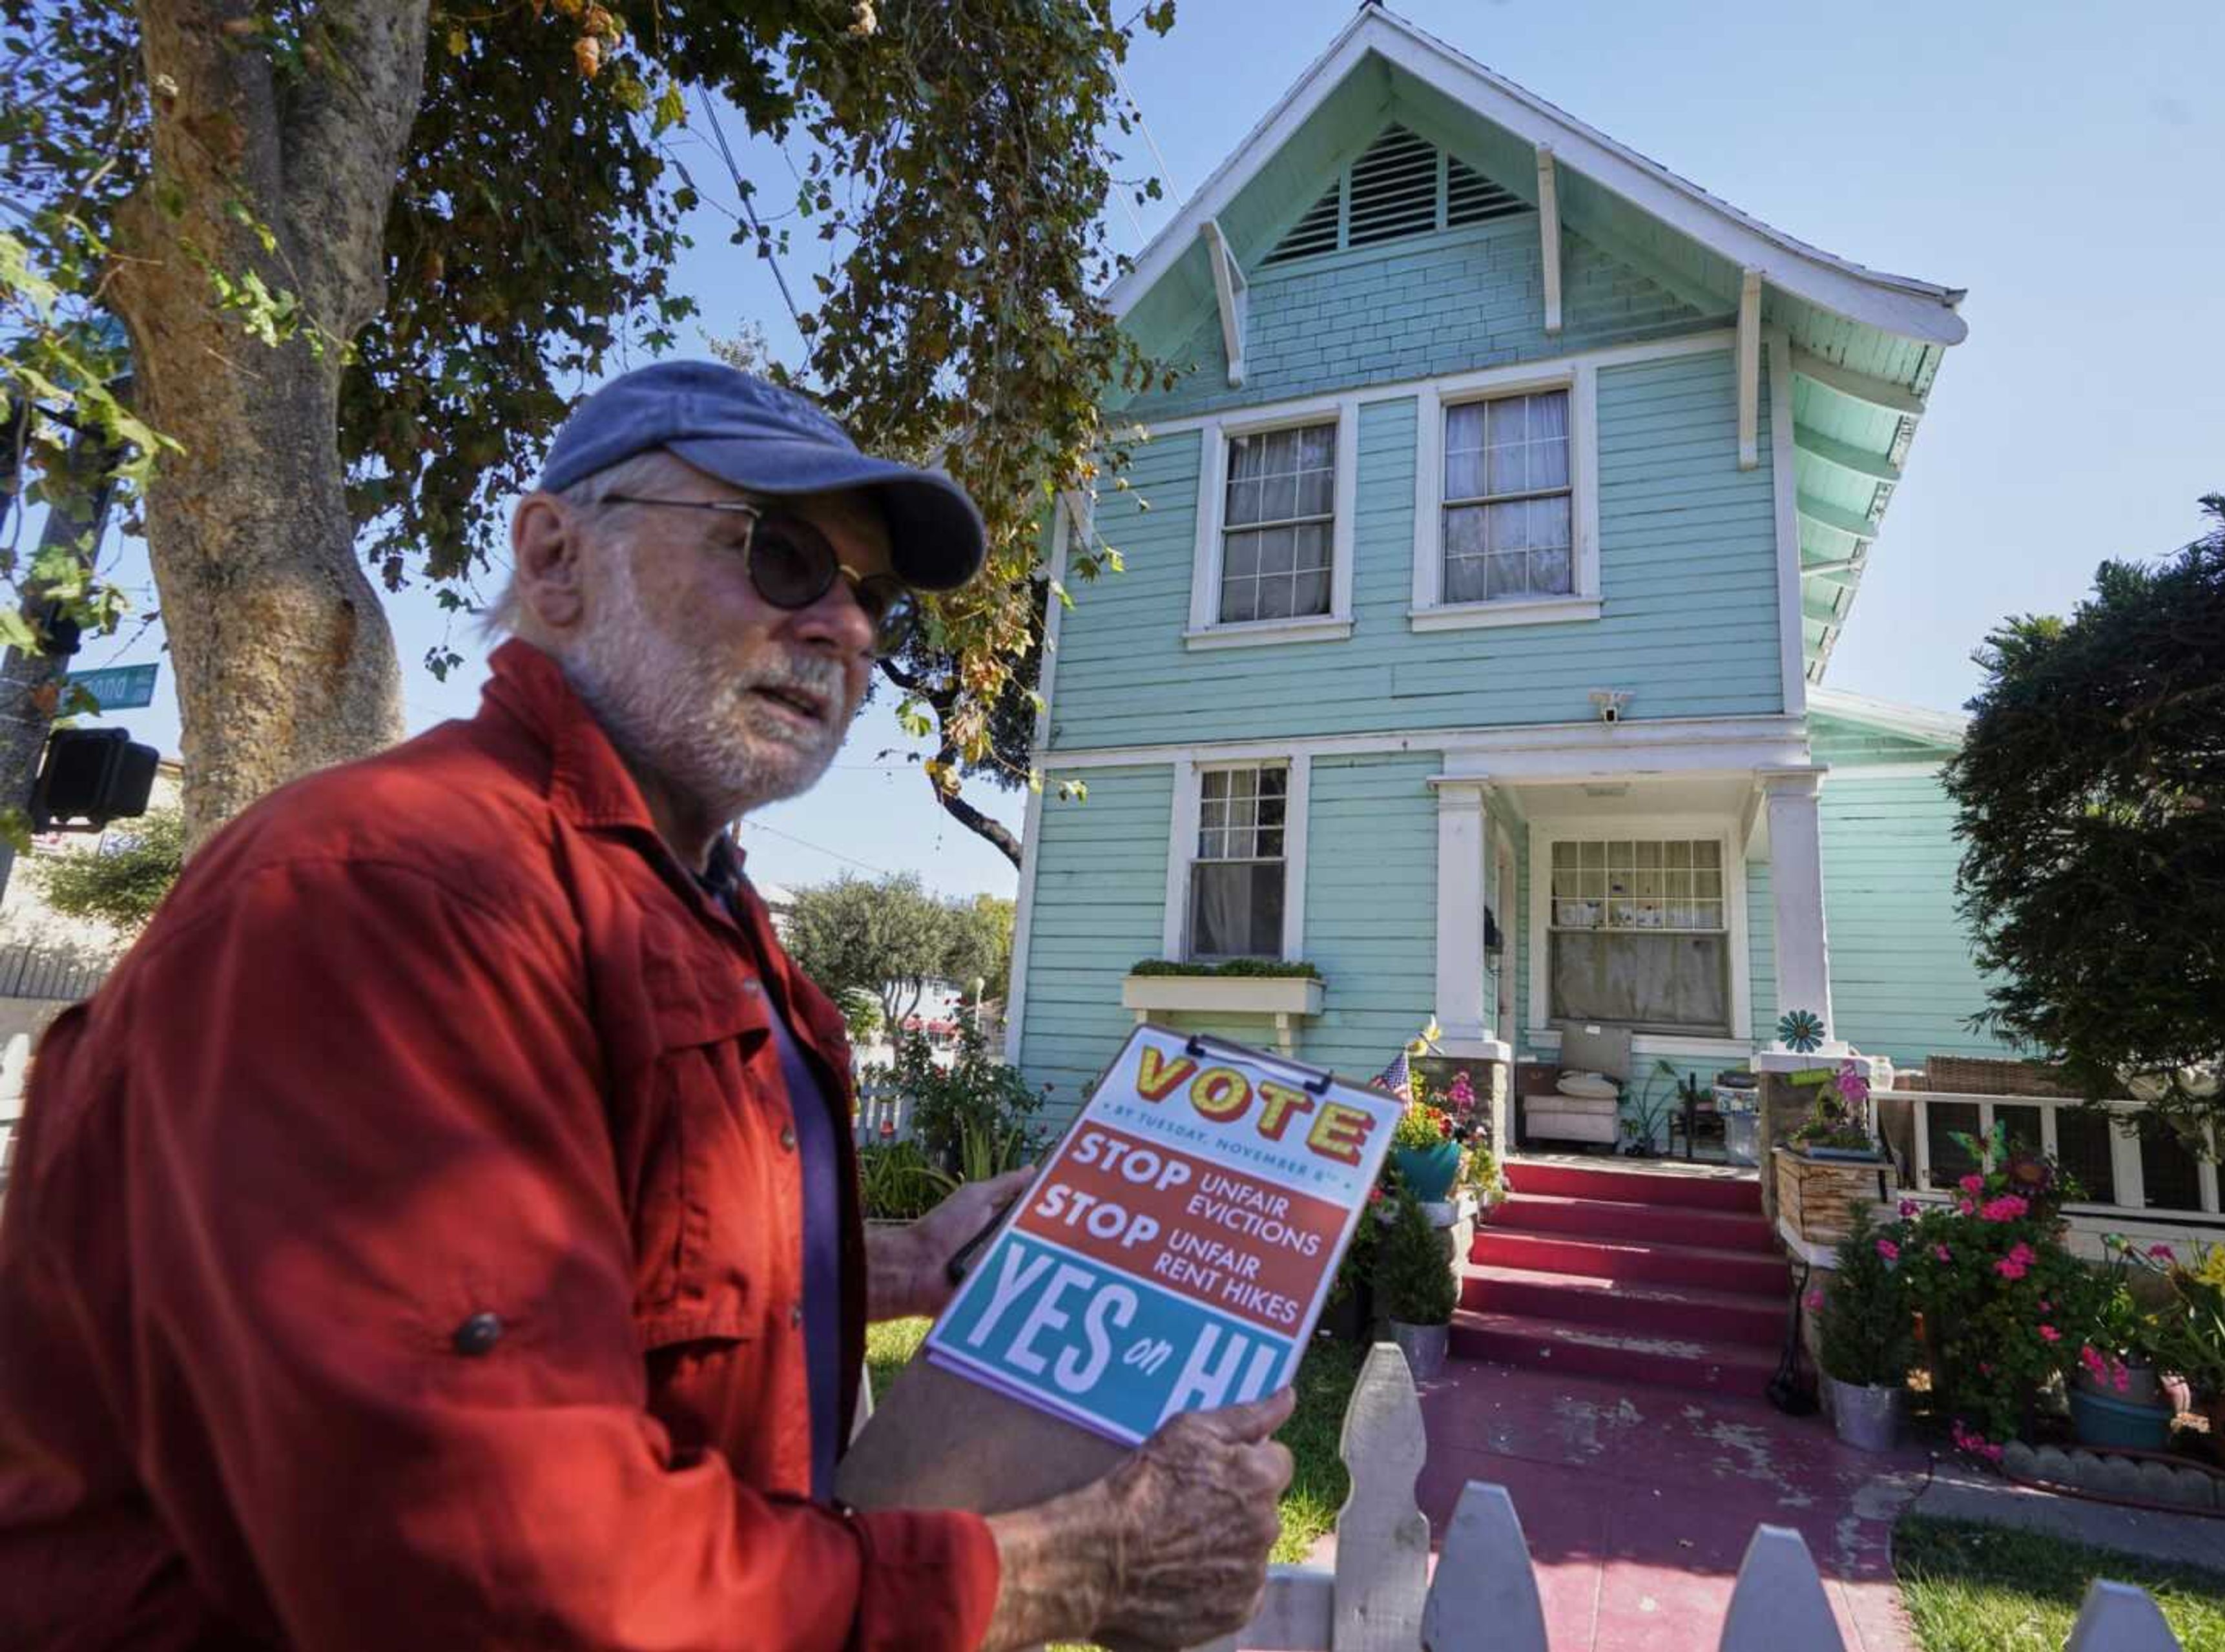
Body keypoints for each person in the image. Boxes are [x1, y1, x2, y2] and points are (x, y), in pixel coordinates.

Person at [0, 362, 1292, 1651]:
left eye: (872, 598)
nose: (843, 627)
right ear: (556, 557)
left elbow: (646, 1267)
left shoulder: (707, 918)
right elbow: (496, 1579)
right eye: (783, 556)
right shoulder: (392, 895)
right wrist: (1065, 1573)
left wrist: (906, 1259)